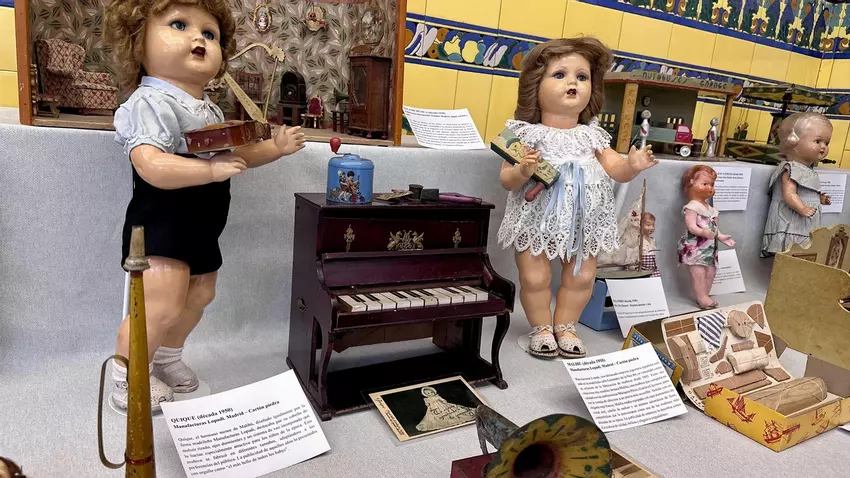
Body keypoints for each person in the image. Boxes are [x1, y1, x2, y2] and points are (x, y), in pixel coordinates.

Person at [103, 0, 306, 411]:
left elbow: (238, 156)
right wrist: (210, 170)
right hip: (162, 222)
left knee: (200, 294)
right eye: (179, 25)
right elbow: (150, 165)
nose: (198, 38)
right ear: (138, 42)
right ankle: (128, 376)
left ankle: (166, 358)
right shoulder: (148, 103)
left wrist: (275, 148)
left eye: (209, 33)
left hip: (202, 224)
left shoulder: (207, 108)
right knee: (161, 303)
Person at [496, 37, 658, 359]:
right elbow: (506, 179)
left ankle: (566, 327)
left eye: (581, 77)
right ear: (535, 85)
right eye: (560, 75)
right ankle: (541, 327)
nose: (572, 83)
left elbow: (615, 169)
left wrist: (632, 165)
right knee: (535, 275)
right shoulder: (526, 134)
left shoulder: (592, 136)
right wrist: (523, 171)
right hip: (536, 218)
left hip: (583, 220)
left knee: (582, 276)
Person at [762, 112, 832, 256]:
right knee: (788, 252)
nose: (823, 147)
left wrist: (819, 198)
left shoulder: (808, 171)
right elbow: (789, 193)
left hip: (804, 223)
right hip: (791, 220)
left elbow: (806, 192)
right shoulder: (791, 168)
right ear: (794, 140)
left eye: (826, 143)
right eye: (817, 141)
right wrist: (802, 208)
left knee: (800, 253)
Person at [678, 165, 735, 309]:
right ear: (691, 183)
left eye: (712, 184)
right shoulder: (692, 207)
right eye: (705, 184)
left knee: (711, 272)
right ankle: (702, 297)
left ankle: (704, 295)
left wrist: (721, 236)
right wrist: (704, 233)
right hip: (695, 247)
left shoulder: (712, 210)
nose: (710, 188)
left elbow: (714, 228)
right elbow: (691, 227)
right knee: (698, 272)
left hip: (710, 248)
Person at [640, 212, 661, 278]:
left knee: (656, 280)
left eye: (653, 225)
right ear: (640, 225)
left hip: (652, 269)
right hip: (642, 269)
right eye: (648, 225)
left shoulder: (652, 240)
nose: (651, 228)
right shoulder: (639, 239)